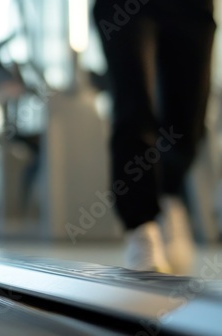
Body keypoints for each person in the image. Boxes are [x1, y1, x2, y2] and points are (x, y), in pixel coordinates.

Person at [93, 0, 216, 274]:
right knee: (133, 110)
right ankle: (142, 227)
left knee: (188, 123)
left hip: (192, 9)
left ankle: (168, 194)